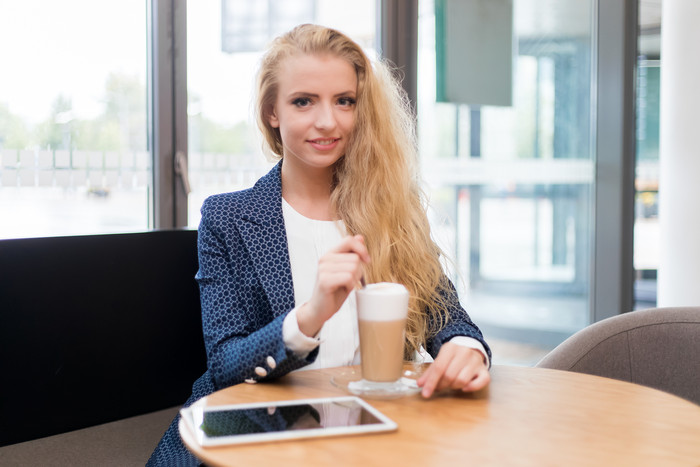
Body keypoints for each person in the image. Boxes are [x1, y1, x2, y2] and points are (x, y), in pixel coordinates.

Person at [147, 23, 491, 466]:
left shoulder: (393, 215)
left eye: (344, 101)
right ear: (273, 112)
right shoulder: (228, 219)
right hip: (250, 442)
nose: (327, 121)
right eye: (303, 101)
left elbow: (452, 322)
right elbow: (227, 366)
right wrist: (310, 315)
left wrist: (466, 349)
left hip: (371, 441)